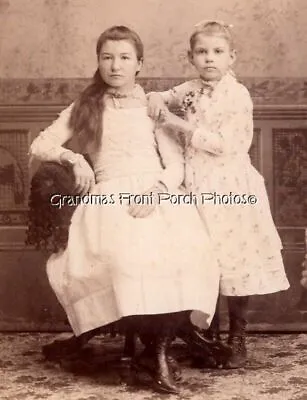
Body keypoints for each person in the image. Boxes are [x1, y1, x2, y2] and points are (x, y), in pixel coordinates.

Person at [28, 25, 221, 394]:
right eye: (107, 57)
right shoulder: (86, 106)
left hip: (157, 192)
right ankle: (153, 354)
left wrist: (157, 192)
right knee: (128, 258)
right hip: (109, 198)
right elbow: (41, 144)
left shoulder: (153, 106)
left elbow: (175, 164)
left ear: (139, 64)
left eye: (124, 58)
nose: (115, 66)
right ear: (98, 62)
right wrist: (73, 158)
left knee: (190, 252)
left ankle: (157, 351)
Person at [147, 20, 290, 369]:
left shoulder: (236, 95)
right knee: (203, 258)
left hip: (229, 187)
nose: (209, 59)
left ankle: (237, 335)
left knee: (233, 257)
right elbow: (167, 97)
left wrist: (176, 124)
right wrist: (155, 97)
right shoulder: (192, 88)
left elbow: (226, 145)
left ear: (231, 57)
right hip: (196, 185)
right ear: (191, 57)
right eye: (202, 52)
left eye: (218, 52)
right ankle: (206, 335)